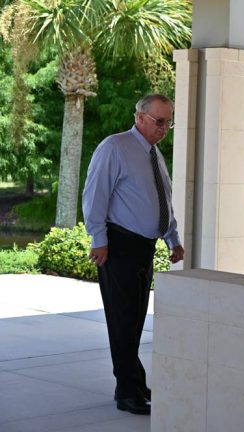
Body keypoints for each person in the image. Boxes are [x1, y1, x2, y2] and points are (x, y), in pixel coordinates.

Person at [82, 94, 184, 415]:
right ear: (140, 117)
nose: (164, 128)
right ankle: (127, 391)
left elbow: (161, 201)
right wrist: (98, 239)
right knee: (122, 320)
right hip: (119, 245)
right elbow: (94, 194)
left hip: (143, 248)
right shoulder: (115, 148)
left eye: (169, 122)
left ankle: (134, 381)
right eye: (159, 121)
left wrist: (172, 239)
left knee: (136, 320)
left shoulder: (155, 154)